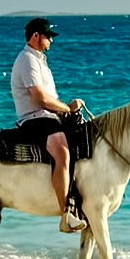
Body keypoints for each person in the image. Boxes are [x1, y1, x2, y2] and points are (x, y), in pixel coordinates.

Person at [11, 17, 87, 232]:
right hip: (34, 117)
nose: (51, 41)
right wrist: (68, 109)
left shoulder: (39, 60)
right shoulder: (27, 60)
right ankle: (66, 214)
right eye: (48, 37)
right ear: (36, 36)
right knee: (62, 150)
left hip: (48, 116)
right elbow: (40, 99)